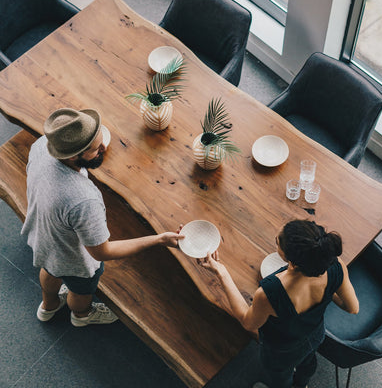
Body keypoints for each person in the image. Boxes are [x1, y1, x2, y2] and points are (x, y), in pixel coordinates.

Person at [21, 108, 183, 327]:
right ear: (73, 156)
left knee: (50, 270)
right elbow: (103, 252)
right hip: (73, 259)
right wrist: (159, 239)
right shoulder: (83, 200)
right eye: (96, 148)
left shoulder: (42, 145)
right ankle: (82, 315)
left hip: (43, 238)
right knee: (81, 289)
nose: (104, 148)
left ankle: (48, 306)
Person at [199, 219, 359, 388]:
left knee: (281, 378)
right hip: (315, 334)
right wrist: (329, 287)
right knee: (308, 362)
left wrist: (222, 273)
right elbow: (353, 308)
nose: (276, 239)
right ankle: (302, 384)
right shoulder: (335, 265)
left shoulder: (271, 293)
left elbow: (248, 322)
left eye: (277, 241)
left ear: (289, 258)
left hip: (282, 352)